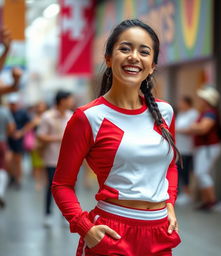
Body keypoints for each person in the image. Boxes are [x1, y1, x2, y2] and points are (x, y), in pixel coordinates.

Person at [52, 19, 181, 256]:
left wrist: (170, 203)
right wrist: (85, 228)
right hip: (112, 233)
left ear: (152, 65)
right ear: (109, 59)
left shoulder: (165, 112)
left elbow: (170, 165)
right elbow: (61, 184)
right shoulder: (88, 117)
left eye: (144, 51)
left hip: (160, 231)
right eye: (125, 48)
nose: (134, 57)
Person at [37, 91, 73, 227]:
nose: (71, 102)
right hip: (51, 158)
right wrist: (58, 139)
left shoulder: (71, 116)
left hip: (69, 159)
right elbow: (40, 136)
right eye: (69, 99)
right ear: (62, 101)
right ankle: (48, 214)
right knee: (51, 187)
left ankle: (67, 215)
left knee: (68, 188)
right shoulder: (47, 117)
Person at [189, 86, 221, 210]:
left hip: (208, 147)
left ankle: (211, 200)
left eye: (202, 98)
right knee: (201, 173)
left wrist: (194, 126)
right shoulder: (206, 112)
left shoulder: (210, 113)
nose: (200, 100)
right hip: (204, 147)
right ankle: (207, 200)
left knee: (201, 173)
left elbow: (203, 128)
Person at [175, 96, 198, 205]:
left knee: (185, 171)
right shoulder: (181, 114)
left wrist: (177, 130)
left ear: (187, 103)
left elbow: (192, 130)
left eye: (182, 102)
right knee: (179, 170)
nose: (180, 104)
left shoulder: (193, 114)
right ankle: (182, 193)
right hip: (179, 148)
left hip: (187, 148)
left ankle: (187, 194)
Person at [7, 93, 33, 189]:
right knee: (9, 160)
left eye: (14, 103)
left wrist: (21, 132)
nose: (13, 105)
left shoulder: (22, 112)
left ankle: (17, 179)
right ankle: (11, 177)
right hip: (9, 139)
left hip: (18, 140)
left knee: (18, 160)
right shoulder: (7, 112)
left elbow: (29, 123)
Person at [0, 99, 15, 208]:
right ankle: (0, 192)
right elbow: (11, 127)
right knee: (2, 167)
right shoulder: (4, 111)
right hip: (2, 141)